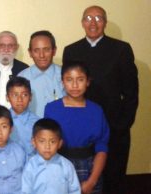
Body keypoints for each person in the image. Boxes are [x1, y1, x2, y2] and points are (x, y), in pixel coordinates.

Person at [62, 5, 138, 194]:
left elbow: (131, 91)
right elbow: (69, 88)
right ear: (82, 23)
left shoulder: (121, 49)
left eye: (98, 18)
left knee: (114, 177)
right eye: (88, 18)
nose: (93, 23)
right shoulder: (71, 50)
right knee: (83, 179)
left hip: (114, 126)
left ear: (105, 22)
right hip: (81, 127)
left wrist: (123, 124)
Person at [44, 63, 110, 194]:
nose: (75, 85)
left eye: (80, 79)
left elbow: (101, 148)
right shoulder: (52, 109)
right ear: (62, 81)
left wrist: (92, 181)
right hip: (59, 166)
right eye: (69, 80)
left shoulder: (96, 110)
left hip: (90, 169)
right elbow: (48, 143)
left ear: (88, 82)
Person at [22, 118, 80, 194]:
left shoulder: (66, 165)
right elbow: (26, 191)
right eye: (42, 141)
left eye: (52, 142)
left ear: (59, 143)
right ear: (34, 142)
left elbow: (75, 190)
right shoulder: (30, 166)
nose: (47, 146)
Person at [18, 30, 64, 117]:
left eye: (46, 49)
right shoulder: (21, 77)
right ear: (30, 53)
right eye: (36, 50)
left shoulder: (65, 76)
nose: (42, 55)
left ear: (54, 51)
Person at [6, 76, 39, 158]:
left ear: (30, 97)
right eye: (15, 95)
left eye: (24, 95)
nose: (19, 99)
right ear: (7, 97)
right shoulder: (2, 120)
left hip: (30, 167)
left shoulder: (37, 122)